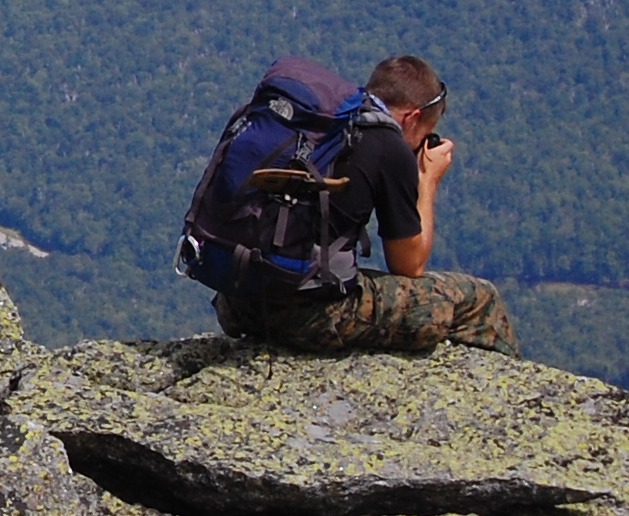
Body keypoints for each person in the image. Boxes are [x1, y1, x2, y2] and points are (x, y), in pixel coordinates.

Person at [214, 54, 518, 354]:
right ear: (412, 118)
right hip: (310, 318)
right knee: (480, 299)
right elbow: (408, 266)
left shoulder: (325, 126)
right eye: (426, 134)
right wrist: (426, 182)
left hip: (238, 302)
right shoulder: (389, 146)